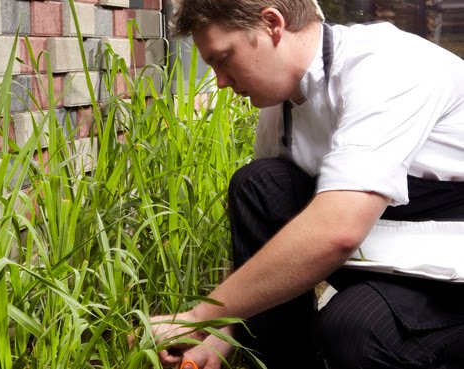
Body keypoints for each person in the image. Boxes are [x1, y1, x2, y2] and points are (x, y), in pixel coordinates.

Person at [149, 1, 464, 368]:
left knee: (355, 326)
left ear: (272, 24)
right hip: (395, 253)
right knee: (258, 184)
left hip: (451, 272)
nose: (220, 80)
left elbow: (337, 231)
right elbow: (265, 238)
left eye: (223, 58)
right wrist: (222, 335)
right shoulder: (281, 104)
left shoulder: (390, 67)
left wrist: (201, 317)